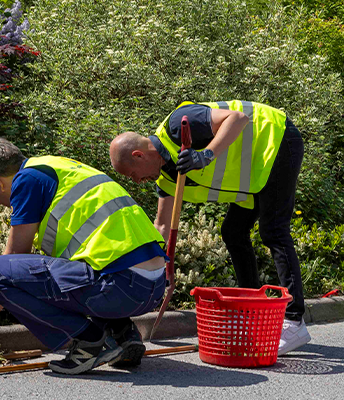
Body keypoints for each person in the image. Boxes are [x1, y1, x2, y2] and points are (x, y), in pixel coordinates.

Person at [109, 100, 310, 355]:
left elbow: (237, 118)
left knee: (273, 231)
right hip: (254, 170)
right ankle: (250, 313)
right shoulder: (167, 177)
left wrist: (205, 155)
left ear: (138, 155)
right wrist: (155, 270)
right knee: (233, 232)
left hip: (276, 138)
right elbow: (161, 225)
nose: (137, 182)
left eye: (132, 175)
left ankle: (294, 321)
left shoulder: (178, 125)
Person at [0, 138, 167, 374]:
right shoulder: (57, 166)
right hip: (153, 288)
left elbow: (13, 259)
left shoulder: (27, 181)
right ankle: (122, 335)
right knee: (72, 271)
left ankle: (88, 341)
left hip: (121, 289)